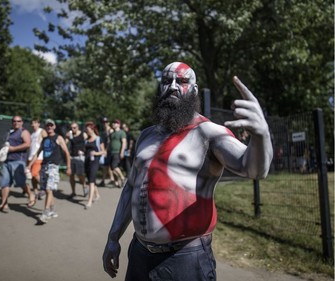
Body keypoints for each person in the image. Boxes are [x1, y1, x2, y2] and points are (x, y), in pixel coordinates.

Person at [102, 62, 273, 280]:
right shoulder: (146, 136)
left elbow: (253, 169)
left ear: (194, 89)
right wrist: (113, 237)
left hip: (186, 258)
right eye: (166, 81)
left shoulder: (208, 133)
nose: (172, 87)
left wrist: (261, 135)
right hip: (140, 253)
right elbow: (131, 188)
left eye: (181, 81)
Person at [28, 119, 71, 223]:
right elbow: (37, 154)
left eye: (51, 125)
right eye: (47, 125)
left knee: (48, 189)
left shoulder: (58, 138)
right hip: (44, 166)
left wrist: (68, 167)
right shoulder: (44, 140)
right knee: (48, 190)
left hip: (53, 166)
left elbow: (66, 152)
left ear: (54, 127)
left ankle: (45, 212)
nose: (49, 127)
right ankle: (52, 210)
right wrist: (29, 165)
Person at [0, 116, 35, 212]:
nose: (16, 122)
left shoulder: (24, 132)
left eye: (18, 121)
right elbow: (5, 147)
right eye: (14, 121)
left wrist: (13, 149)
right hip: (6, 161)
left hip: (18, 161)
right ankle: (4, 204)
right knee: (4, 183)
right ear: (12, 122)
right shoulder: (8, 133)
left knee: (20, 182)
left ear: (22, 122)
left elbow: (28, 144)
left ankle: (31, 194)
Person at [84, 121, 105, 209]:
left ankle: (89, 201)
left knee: (91, 181)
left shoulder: (98, 139)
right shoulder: (86, 140)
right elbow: (86, 150)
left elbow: (104, 151)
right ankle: (97, 195)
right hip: (87, 161)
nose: (87, 131)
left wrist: (96, 153)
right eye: (86, 129)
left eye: (88, 129)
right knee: (91, 180)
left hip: (95, 162)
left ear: (92, 129)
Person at [26, 118, 47, 206]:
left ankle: (45, 187)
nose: (33, 125)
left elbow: (48, 140)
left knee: (35, 174)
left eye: (35, 123)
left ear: (38, 124)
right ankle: (35, 192)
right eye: (32, 123)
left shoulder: (41, 131)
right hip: (30, 157)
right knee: (32, 178)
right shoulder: (32, 134)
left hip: (39, 157)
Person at [65, 121, 87, 198]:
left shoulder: (83, 134)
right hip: (72, 156)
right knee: (71, 175)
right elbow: (65, 144)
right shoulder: (70, 135)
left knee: (80, 174)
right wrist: (67, 137)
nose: (73, 129)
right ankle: (73, 192)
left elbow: (87, 143)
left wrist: (84, 151)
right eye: (71, 128)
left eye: (74, 127)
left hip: (80, 157)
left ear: (78, 127)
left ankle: (84, 185)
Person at [109, 119, 127, 188]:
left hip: (117, 152)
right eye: (113, 123)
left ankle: (123, 178)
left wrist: (122, 152)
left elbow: (124, 142)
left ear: (119, 124)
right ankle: (118, 182)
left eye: (115, 123)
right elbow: (110, 143)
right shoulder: (112, 133)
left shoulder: (121, 132)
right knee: (112, 168)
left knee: (114, 166)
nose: (113, 124)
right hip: (111, 152)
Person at [99, 117, 115, 187]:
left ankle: (113, 179)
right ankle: (110, 179)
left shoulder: (110, 131)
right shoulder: (103, 131)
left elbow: (109, 142)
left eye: (106, 122)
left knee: (108, 165)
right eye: (103, 122)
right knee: (106, 166)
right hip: (105, 150)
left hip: (109, 150)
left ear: (108, 123)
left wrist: (105, 150)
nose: (104, 123)